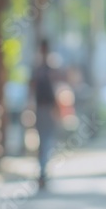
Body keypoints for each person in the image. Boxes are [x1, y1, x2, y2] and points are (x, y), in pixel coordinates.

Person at [29, 39, 58, 190]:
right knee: (45, 141)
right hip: (43, 108)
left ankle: (43, 171)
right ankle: (42, 172)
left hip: (45, 108)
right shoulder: (43, 68)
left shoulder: (43, 68)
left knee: (45, 141)